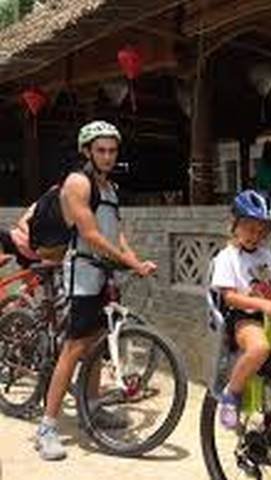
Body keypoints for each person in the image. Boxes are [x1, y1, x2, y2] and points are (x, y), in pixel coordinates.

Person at [35, 120, 157, 461]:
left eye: (112, 150)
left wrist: (135, 261)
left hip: (105, 274)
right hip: (84, 273)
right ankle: (47, 427)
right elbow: (90, 234)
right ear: (87, 151)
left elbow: (116, 235)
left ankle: (91, 407)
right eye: (100, 150)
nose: (107, 156)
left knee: (99, 341)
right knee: (74, 347)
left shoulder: (110, 188)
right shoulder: (79, 182)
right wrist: (129, 263)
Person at [209, 189, 271, 429]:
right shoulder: (227, 257)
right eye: (250, 228)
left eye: (262, 231)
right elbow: (230, 298)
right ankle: (231, 394)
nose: (256, 236)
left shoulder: (266, 256)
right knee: (259, 348)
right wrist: (264, 304)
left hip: (270, 315)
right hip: (243, 318)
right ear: (235, 224)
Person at [0, 203, 39, 269]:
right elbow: (22, 222)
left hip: (37, 255)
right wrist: (30, 235)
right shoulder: (41, 204)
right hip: (15, 239)